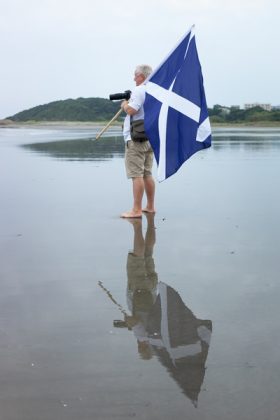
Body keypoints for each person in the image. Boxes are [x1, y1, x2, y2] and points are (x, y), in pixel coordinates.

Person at [120, 65, 156, 219]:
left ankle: (136, 210)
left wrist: (124, 104)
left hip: (136, 139)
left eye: (135, 75)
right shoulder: (154, 90)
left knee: (137, 175)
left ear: (142, 75)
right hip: (150, 138)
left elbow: (132, 110)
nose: (134, 78)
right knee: (147, 173)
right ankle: (150, 206)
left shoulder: (140, 90)